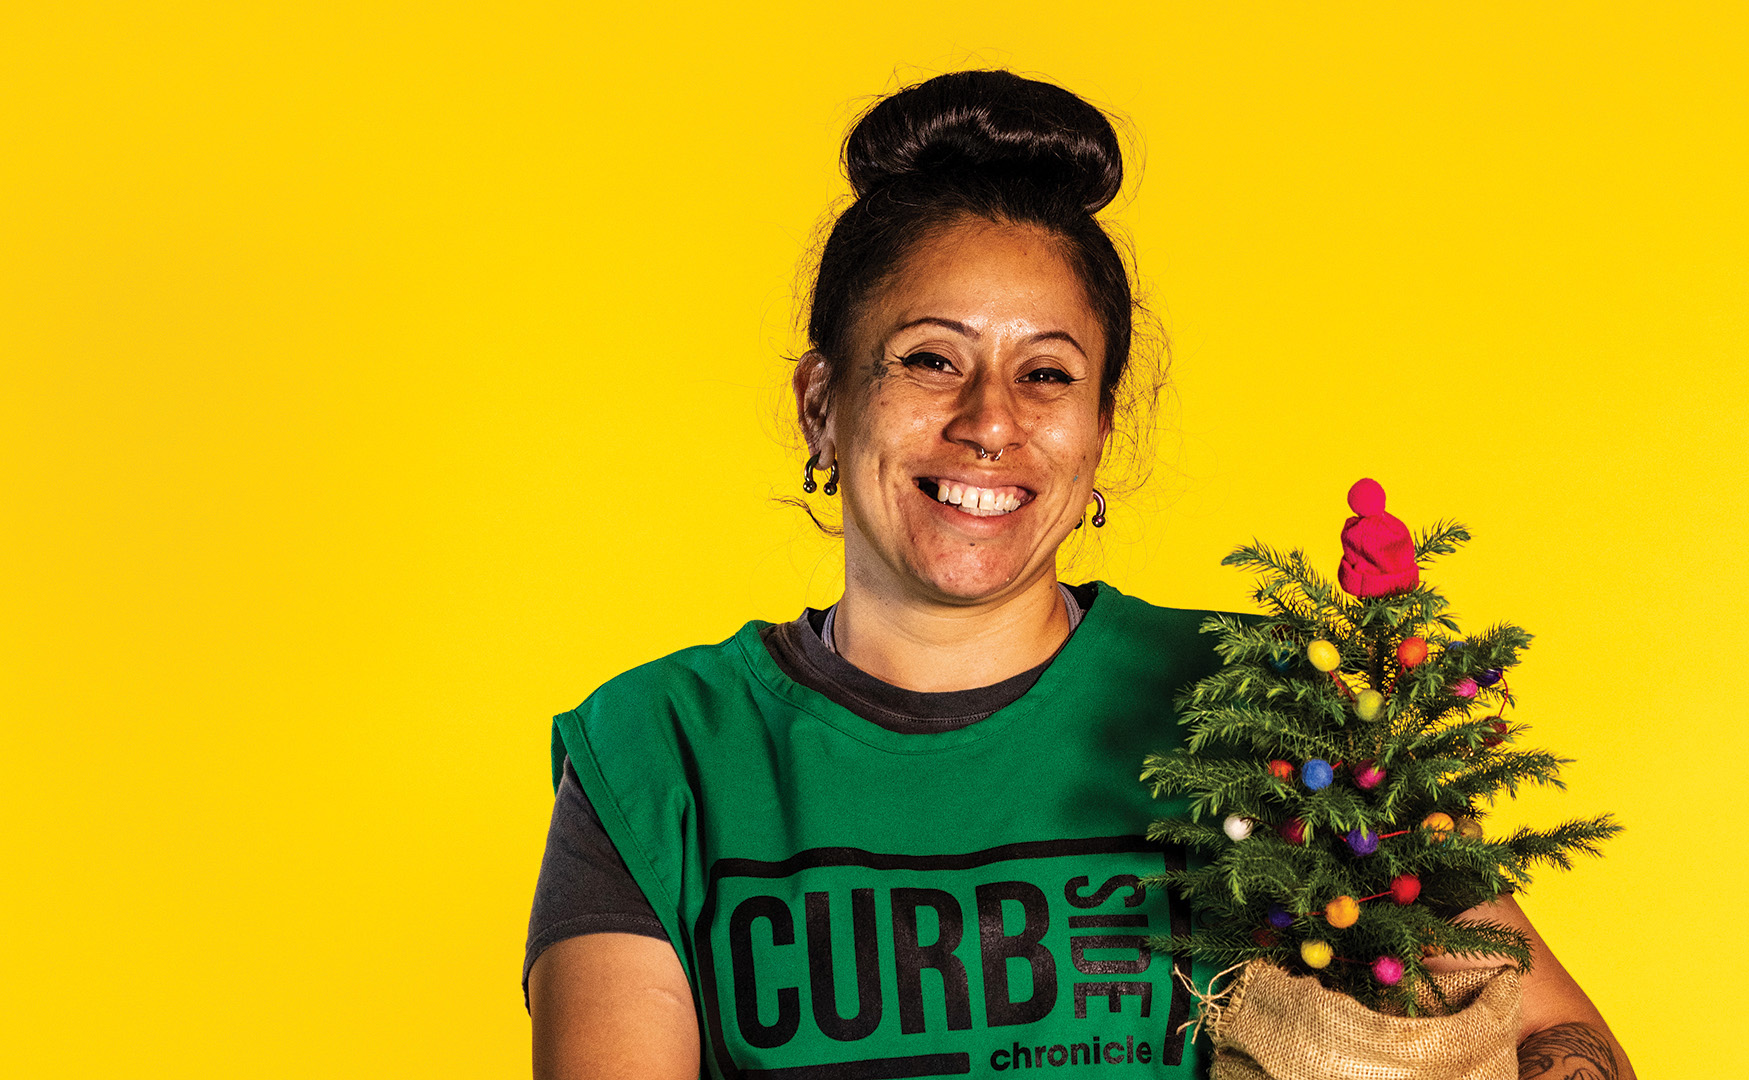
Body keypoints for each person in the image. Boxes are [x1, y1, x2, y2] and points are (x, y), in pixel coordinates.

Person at [525, 70, 1634, 1080]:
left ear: (1100, 429)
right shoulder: (659, 757)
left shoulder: (1260, 714)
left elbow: (1554, 1037)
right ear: (824, 403)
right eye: (930, 358)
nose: (989, 421)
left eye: (1046, 374)